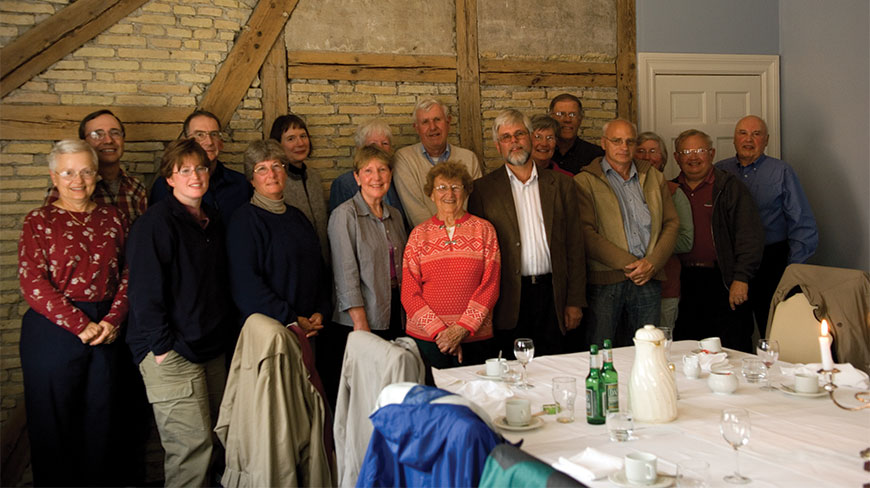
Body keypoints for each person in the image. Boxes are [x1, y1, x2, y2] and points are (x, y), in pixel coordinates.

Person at [18, 139, 129, 486]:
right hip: (53, 329)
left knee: (104, 420)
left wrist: (113, 319)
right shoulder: (38, 220)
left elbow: (131, 273)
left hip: (107, 328)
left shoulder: (115, 218)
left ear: (96, 175)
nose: (77, 179)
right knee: (53, 424)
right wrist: (81, 325)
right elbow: (32, 281)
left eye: (85, 171)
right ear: (54, 176)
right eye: (67, 172)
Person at [127, 139, 234, 487]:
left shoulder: (212, 220)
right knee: (191, 450)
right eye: (184, 170)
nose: (195, 175)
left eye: (200, 168)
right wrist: (161, 348)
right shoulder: (154, 224)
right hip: (170, 351)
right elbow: (144, 294)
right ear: (169, 179)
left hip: (208, 347)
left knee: (218, 440)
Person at [467, 109, 586, 357]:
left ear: (531, 138)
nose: (514, 142)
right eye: (506, 137)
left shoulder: (561, 185)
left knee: (554, 366)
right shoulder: (483, 190)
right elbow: (479, 256)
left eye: (519, 134)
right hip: (508, 298)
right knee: (512, 372)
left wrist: (574, 300)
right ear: (498, 146)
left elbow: (575, 245)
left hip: (553, 294)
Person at [575, 119, 678, 347]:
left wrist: (652, 263)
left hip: (648, 278)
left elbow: (671, 223)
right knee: (601, 350)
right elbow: (586, 233)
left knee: (648, 350)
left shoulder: (653, 177)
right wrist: (633, 265)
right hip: (605, 282)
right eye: (617, 141)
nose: (624, 147)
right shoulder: (584, 181)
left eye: (630, 141)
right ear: (604, 143)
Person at [715, 115, 819, 337]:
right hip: (731, 263)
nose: (748, 140)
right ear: (734, 139)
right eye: (742, 133)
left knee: (775, 333)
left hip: (771, 261)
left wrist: (791, 271)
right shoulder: (720, 172)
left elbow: (803, 225)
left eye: (756, 134)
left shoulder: (781, 171)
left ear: (767, 140)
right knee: (733, 333)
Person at [402, 162, 501, 368]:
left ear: (465, 192)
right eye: (442, 188)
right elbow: (409, 292)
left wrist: (461, 329)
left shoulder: (484, 230)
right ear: (431, 194)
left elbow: (490, 286)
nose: (450, 193)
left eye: (456, 187)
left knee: (476, 398)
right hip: (428, 340)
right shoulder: (418, 235)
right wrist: (441, 333)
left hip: (474, 338)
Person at [672, 129, 764, 352]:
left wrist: (741, 278)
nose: (694, 157)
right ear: (677, 157)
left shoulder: (729, 187)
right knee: (687, 351)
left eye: (700, 150)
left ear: (711, 153)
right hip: (682, 282)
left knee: (731, 350)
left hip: (724, 281)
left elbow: (749, 236)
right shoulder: (669, 189)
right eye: (686, 151)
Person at [226, 140, 329, 334]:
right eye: (261, 169)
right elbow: (246, 286)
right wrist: (290, 318)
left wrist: (320, 310)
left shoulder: (298, 217)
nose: (271, 174)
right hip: (272, 331)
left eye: (277, 166)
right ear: (251, 179)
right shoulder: (244, 222)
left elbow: (318, 270)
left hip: (309, 327)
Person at [329, 145, 408, 339]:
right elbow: (345, 274)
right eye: (368, 171)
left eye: (382, 169)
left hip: (395, 310)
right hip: (362, 317)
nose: (377, 177)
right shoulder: (345, 215)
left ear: (390, 173)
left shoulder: (395, 215)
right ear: (357, 177)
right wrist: (360, 320)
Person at [635, 131, 694, 332]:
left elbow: (686, 241)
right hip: (629, 286)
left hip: (665, 286)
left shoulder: (674, 192)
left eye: (653, 151)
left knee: (660, 347)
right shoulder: (623, 191)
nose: (647, 156)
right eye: (640, 151)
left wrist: (649, 244)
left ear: (663, 159)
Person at [44, 109, 148, 222]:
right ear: (84, 142)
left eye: (115, 133)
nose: (108, 140)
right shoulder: (67, 189)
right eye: (97, 134)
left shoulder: (136, 187)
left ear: (123, 139)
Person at [393, 98, 482, 226]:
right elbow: (416, 212)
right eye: (425, 122)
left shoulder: (469, 158)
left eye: (437, 120)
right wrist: (444, 241)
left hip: (467, 238)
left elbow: (475, 207)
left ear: (448, 122)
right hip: (427, 241)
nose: (432, 127)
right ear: (416, 128)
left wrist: (460, 237)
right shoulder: (404, 159)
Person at [150, 110, 252, 222]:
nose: (209, 142)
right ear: (186, 142)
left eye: (214, 134)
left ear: (221, 142)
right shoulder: (165, 185)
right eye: (200, 135)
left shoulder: (242, 184)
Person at [269, 114, 330, 262]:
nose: (300, 143)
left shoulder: (314, 177)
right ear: (278, 144)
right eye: (291, 138)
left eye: (303, 136)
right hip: (295, 263)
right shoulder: (275, 182)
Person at [328, 118, 406, 223]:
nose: (379, 148)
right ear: (360, 148)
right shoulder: (344, 184)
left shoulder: (394, 178)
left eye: (385, 143)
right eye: (373, 144)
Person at [548, 93, 604, 174]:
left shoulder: (596, 156)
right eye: (560, 114)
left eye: (573, 114)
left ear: (580, 119)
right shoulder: (541, 152)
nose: (567, 120)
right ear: (551, 118)